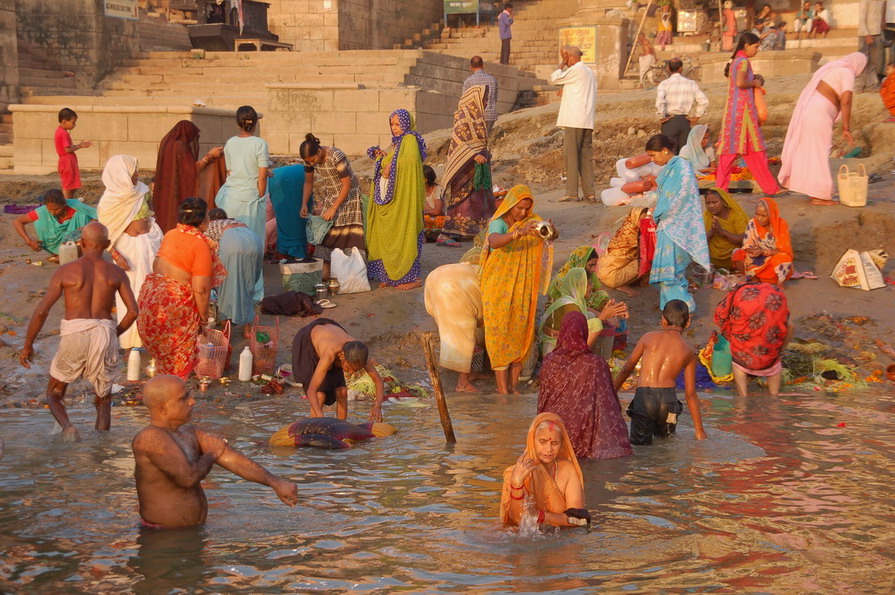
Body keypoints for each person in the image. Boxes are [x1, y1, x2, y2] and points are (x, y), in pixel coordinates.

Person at [19, 222, 138, 441]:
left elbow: (42, 311)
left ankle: (68, 427)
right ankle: (101, 452)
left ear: (81, 243)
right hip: (104, 330)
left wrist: (28, 345)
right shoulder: (115, 272)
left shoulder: (66, 271)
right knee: (103, 399)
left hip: (75, 331)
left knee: (54, 393)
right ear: (107, 245)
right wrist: (113, 334)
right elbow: (133, 312)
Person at [132, 375, 298, 529]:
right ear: (162, 407)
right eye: (183, 398)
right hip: (160, 539)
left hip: (192, 535)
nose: (192, 402)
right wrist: (211, 455)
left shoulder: (191, 434)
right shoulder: (149, 438)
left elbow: (234, 460)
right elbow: (187, 478)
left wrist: (276, 483)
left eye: (189, 395)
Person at [137, 198, 226, 379]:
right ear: (202, 222)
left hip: (149, 307)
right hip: (174, 309)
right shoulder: (199, 244)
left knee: (163, 365)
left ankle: (160, 398)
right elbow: (201, 289)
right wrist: (202, 319)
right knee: (178, 371)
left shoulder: (171, 234)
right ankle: (170, 400)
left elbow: (157, 266)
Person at [480, 185, 554, 395]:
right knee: (500, 334)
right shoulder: (499, 223)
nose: (522, 212)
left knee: (520, 333)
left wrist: (551, 231)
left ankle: (513, 389)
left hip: (522, 288)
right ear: (510, 204)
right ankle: (502, 391)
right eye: (519, 208)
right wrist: (517, 234)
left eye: (526, 208)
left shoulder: (531, 222)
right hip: (497, 286)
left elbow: (548, 238)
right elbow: (494, 241)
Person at [538, 312, 633, 459]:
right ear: (584, 332)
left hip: (553, 432)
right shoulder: (596, 363)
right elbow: (610, 404)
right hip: (584, 435)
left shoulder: (549, 361)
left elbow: (542, 400)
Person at [778, 53, 867, 205]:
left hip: (813, 110)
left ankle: (815, 191)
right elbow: (846, 100)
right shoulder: (847, 72)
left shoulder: (835, 69)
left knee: (813, 151)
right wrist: (846, 127)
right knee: (820, 151)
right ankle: (821, 195)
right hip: (819, 113)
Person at [614, 300, 707, 445]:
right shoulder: (688, 352)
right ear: (688, 322)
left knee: (640, 449)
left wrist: (612, 393)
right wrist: (699, 429)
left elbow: (627, 368)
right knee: (666, 446)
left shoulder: (648, 337)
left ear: (663, 320)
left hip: (644, 399)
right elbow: (690, 394)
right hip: (669, 401)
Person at [98, 155, 164, 350]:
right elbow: (106, 232)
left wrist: (152, 230)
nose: (137, 175)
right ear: (121, 174)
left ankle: (152, 337)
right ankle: (131, 342)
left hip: (150, 243)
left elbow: (151, 211)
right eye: (133, 172)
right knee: (132, 293)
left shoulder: (142, 190)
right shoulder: (109, 201)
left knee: (153, 291)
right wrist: (116, 256)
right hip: (127, 251)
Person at [646, 134, 710, 314]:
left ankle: (684, 308)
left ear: (664, 150)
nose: (653, 160)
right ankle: (670, 310)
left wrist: (657, 213)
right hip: (669, 225)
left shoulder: (681, 167)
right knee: (670, 274)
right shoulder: (673, 167)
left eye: (653, 155)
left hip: (675, 227)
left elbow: (677, 198)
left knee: (672, 274)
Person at [366, 109, 426, 290]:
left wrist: (390, 166)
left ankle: (411, 278)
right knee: (386, 235)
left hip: (403, 201)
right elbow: (395, 161)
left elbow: (410, 162)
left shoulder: (410, 139)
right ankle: (390, 276)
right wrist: (384, 158)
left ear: (407, 124)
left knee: (403, 234)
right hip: (390, 201)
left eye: (398, 124)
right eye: (392, 124)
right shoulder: (397, 144)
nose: (395, 128)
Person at [214, 105, 268, 301]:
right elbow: (261, 177)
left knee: (229, 246)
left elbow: (231, 172)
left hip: (231, 198)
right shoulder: (260, 144)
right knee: (253, 246)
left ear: (238, 123)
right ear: (255, 123)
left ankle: (228, 291)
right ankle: (253, 293)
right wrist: (261, 196)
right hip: (251, 200)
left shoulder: (230, 143)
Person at [499, 413, 590, 528]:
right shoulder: (516, 473)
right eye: (542, 442)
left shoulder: (568, 470)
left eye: (555, 443)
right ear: (532, 441)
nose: (549, 449)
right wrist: (516, 485)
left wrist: (539, 516)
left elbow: (579, 519)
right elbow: (518, 520)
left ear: (562, 444)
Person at [716, 33, 780, 195]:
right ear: (746, 46)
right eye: (756, 47)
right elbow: (740, 83)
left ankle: (722, 190)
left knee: (741, 153)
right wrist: (755, 82)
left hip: (734, 113)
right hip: (743, 114)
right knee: (754, 152)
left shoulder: (736, 61)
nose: (757, 50)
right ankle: (770, 188)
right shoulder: (743, 61)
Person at [298, 134, 366, 280]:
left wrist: (334, 207)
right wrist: (304, 203)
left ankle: (351, 275)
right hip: (331, 197)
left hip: (349, 198)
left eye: (313, 160)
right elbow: (308, 183)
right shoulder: (309, 162)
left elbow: (347, 185)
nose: (311, 164)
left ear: (319, 151)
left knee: (348, 235)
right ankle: (329, 274)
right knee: (326, 236)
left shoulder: (336, 155)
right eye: (308, 162)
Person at [291, 319, 385, 421]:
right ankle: (315, 426)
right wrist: (321, 418)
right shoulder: (329, 354)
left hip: (333, 330)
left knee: (342, 391)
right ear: (341, 356)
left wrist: (377, 406)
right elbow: (311, 391)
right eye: (349, 368)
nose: (351, 373)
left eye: (355, 370)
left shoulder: (360, 354)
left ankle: (342, 426)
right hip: (309, 342)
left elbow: (378, 381)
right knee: (320, 396)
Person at [714, 282, 794, 397]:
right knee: (774, 398)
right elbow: (791, 326)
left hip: (742, 360)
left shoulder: (739, 302)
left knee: (738, 365)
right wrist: (781, 350)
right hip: (770, 360)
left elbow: (723, 319)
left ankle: (743, 398)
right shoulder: (775, 307)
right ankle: (774, 396)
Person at [441, 84, 496, 241]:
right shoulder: (464, 117)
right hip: (466, 165)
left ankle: (478, 230)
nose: (485, 102)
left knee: (480, 198)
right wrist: (473, 155)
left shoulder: (478, 117)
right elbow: (458, 141)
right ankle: (451, 231)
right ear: (475, 98)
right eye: (484, 98)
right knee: (462, 199)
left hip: (480, 165)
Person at [153, 120, 225, 234]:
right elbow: (191, 170)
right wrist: (210, 156)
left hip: (166, 190)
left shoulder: (168, 144)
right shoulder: (180, 146)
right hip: (178, 190)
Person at [424, 262, 484, 392]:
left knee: (463, 334)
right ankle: (462, 383)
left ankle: (470, 373)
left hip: (435, 278)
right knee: (464, 336)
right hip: (452, 287)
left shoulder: (478, 268)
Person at [539, 267, 627, 356]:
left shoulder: (575, 301)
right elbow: (578, 332)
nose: (592, 286)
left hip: (558, 343)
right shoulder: (571, 305)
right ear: (580, 285)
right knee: (596, 324)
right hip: (553, 350)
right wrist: (603, 316)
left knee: (590, 315)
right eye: (589, 283)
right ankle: (579, 357)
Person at [550, 47, 597, 202]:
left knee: (571, 156)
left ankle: (571, 192)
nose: (566, 60)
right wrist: (566, 90)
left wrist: (561, 63)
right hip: (586, 120)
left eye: (566, 57)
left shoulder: (576, 69)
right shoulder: (588, 72)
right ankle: (590, 193)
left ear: (571, 57)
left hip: (575, 119)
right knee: (585, 157)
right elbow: (578, 89)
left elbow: (554, 78)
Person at [204, 208, 261, 333]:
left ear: (212, 218)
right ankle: (247, 329)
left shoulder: (210, 226)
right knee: (247, 284)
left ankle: (226, 330)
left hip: (233, 242)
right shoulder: (236, 222)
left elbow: (208, 254)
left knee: (225, 286)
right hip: (254, 240)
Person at [12, 188, 96, 260]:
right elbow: (18, 221)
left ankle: (79, 251)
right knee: (40, 218)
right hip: (52, 246)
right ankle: (59, 253)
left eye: (56, 209)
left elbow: (98, 216)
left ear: (64, 204)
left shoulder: (77, 206)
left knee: (82, 214)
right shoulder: (43, 211)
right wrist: (29, 241)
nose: (53, 213)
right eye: (50, 209)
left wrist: (86, 228)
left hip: (78, 245)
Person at [732, 197, 793, 285]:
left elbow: (784, 251)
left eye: (763, 216)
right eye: (757, 214)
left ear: (771, 215)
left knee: (783, 258)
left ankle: (778, 283)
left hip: (772, 261)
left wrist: (763, 252)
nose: (759, 218)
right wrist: (752, 250)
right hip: (756, 259)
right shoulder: (753, 222)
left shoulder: (781, 224)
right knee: (737, 253)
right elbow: (747, 244)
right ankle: (754, 279)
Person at [655, 58, 710, 155]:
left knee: (669, 153)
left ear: (668, 68)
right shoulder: (691, 83)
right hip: (685, 121)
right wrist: (697, 116)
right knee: (684, 154)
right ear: (681, 69)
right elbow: (704, 101)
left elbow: (660, 101)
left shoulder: (664, 84)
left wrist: (662, 116)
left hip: (670, 121)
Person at [596, 206, 653, 297]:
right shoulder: (630, 233)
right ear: (635, 218)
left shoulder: (627, 226)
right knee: (648, 261)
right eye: (641, 220)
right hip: (612, 276)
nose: (643, 222)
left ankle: (623, 283)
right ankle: (621, 284)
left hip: (602, 270)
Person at [268, 164, 310, 261]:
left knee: (284, 216)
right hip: (296, 175)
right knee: (299, 214)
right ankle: (297, 252)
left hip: (276, 178)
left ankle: (286, 251)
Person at [704, 187, 748, 271]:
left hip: (733, 261)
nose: (711, 206)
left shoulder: (736, 216)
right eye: (708, 203)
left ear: (724, 201)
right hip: (712, 262)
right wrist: (711, 233)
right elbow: (698, 242)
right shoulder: (707, 216)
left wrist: (722, 232)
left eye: (714, 202)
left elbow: (745, 240)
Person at [55, 108, 91, 200]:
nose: (74, 125)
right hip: (67, 161)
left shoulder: (61, 132)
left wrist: (79, 145)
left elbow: (68, 147)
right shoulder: (63, 133)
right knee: (68, 186)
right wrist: (80, 146)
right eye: (73, 122)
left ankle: (70, 202)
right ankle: (66, 204)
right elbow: (67, 149)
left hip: (67, 160)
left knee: (72, 185)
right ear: (64, 121)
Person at [462, 56, 499, 135]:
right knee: (486, 137)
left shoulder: (468, 81)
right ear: (482, 65)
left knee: (477, 141)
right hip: (490, 115)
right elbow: (495, 99)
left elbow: (464, 102)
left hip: (475, 117)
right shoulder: (493, 79)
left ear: (471, 67)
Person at [857, 0, 884, 93]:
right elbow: (862, 19)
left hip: (876, 33)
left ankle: (871, 85)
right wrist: (866, 35)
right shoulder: (865, 1)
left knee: (874, 62)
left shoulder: (880, 2)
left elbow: (880, 17)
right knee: (863, 61)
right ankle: (860, 85)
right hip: (865, 35)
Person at [423, 165, 453, 246]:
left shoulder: (437, 189)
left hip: (438, 220)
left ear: (425, 180)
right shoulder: (419, 191)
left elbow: (437, 211)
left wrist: (422, 213)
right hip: (427, 219)